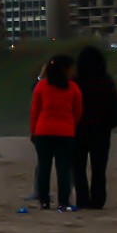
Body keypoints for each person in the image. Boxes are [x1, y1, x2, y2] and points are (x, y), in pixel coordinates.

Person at [71, 46, 117, 209]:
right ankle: (98, 200)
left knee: (78, 167)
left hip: (78, 129)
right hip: (101, 130)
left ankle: (82, 199)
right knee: (99, 168)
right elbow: (113, 103)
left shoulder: (75, 81)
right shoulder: (106, 80)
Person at [28, 54, 83, 211]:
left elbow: (35, 111)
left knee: (44, 168)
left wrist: (33, 131)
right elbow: (78, 111)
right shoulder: (73, 88)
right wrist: (70, 125)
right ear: (65, 70)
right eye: (71, 69)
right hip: (65, 133)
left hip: (43, 131)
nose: (73, 71)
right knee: (63, 169)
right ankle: (63, 202)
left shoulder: (41, 86)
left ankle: (44, 201)